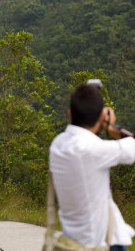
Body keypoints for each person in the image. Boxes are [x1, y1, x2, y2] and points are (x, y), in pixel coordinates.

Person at [49, 84, 135, 251]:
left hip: (71, 241)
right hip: (102, 242)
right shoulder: (95, 150)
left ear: (70, 113)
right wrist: (111, 128)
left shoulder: (57, 145)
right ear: (102, 115)